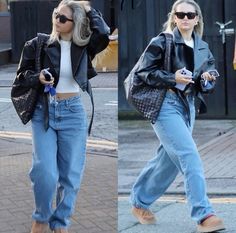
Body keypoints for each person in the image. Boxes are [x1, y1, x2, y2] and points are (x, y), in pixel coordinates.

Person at [130, 0, 225, 232]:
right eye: (180, 14)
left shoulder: (202, 47)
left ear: (197, 19)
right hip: (165, 104)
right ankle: (204, 214)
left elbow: (206, 82)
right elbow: (143, 73)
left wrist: (207, 79)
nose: (184, 18)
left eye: (189, 14)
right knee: (188, 154)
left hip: (188, 105)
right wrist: (173, 78)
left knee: (167, 161)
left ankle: (139, 202)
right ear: (174, 17)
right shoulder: (162, 41)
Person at [15, 0, 109, 232]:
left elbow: (104, 33)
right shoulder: (37, 44)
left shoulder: (84, 46)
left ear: (75, 22)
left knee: (70, 175)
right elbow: (20, 77)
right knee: (45, 171)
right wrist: (37, 77)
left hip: (73, 112)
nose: (57, 20)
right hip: (43, 112)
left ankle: (60, 223)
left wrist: (87, 8)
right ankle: (41, 217)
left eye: (64, 18)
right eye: (57, 15)